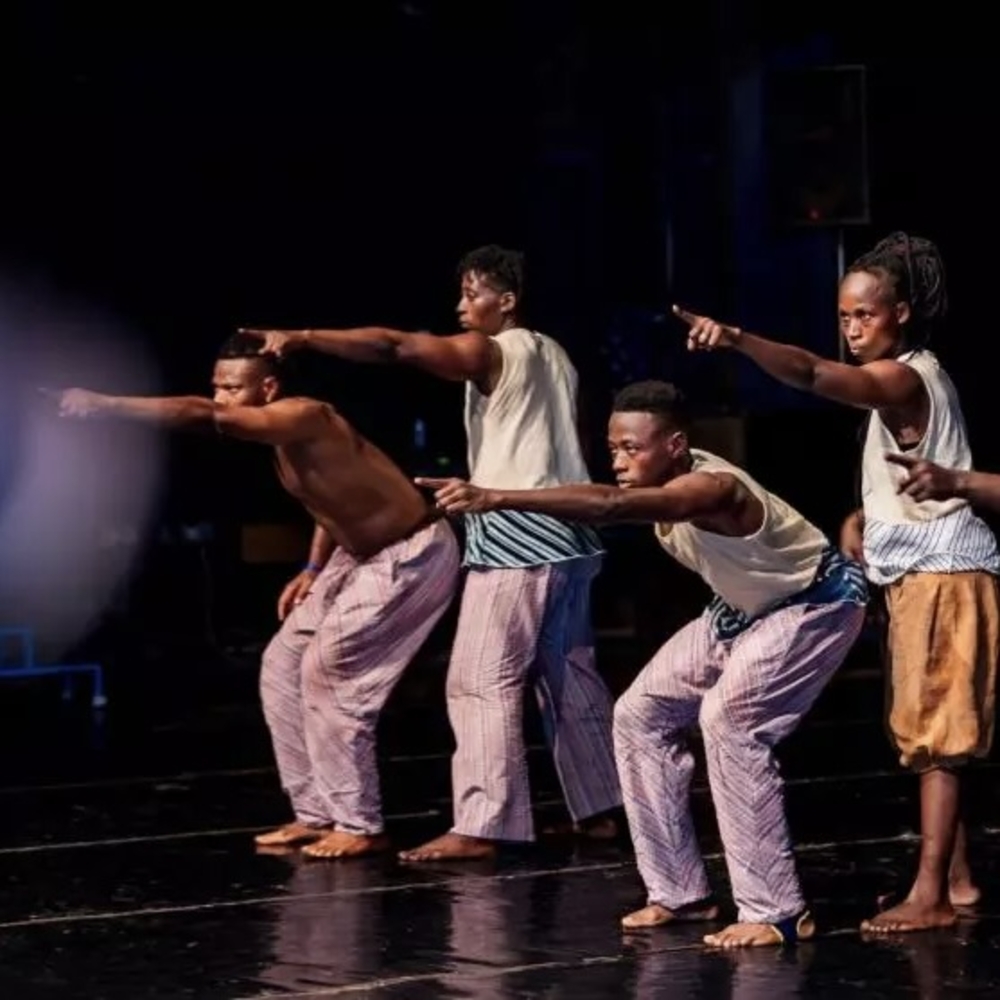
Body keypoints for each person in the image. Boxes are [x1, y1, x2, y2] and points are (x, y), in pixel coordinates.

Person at [417, 379, 868, 948]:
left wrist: (495, 497)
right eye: (613, 448)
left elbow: (611, 506)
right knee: (639, 714)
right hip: (742, 610)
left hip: (814, 605)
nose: (619, 461)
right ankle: (680, 893)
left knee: (731, 723)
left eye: (633, 448)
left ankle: (776, 911)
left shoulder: (712, 487)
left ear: (675, 445)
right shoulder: (668, 482)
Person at [240, 244, 623, 861]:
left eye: (473, 294)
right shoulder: (555, 354)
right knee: (567, 676)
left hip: (519, 538)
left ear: (507, 301)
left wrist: (306, 337)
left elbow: (396, 347)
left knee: (479, 680)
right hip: (568, 533)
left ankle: (485, 825)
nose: (461, 307)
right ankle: (602, 810)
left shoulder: (494, 349)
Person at [672, 232, 1000, 934]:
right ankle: (957, 880)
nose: (851, 330)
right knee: (925, 728)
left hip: (944, 577)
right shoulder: (911, 377)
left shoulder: (903, 378)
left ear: (901, 313)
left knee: (937, 737)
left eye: (865, 316)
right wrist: (866, 518)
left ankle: (933, 895)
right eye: (844, 316)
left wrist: (738, 339)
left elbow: (816, 376)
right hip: (918, 574)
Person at [52, 332, 460, 859]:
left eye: (232, 388)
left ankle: (360, 823)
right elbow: (330, 503)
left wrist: (105, 404)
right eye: (216, 386)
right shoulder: (285, 441)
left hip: (411, 552)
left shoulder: (307, 415)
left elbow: (204, 415)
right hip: (356, 557)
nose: (221, 397)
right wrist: (313, 567)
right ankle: (314, 812)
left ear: (267, 388)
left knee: (328, 671)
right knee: (281, 664)